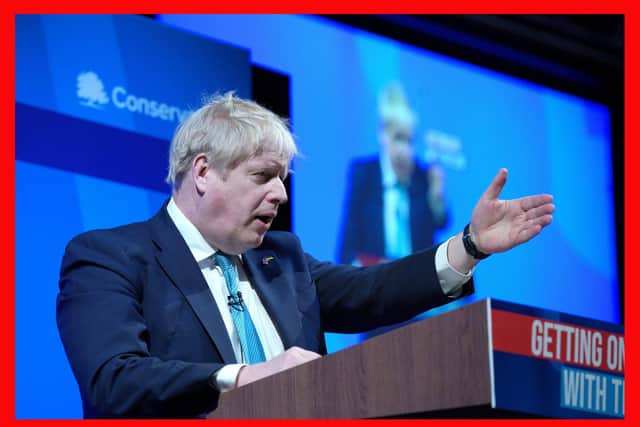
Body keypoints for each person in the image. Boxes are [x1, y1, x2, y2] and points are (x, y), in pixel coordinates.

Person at [56, 92, 554, 418]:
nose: (280, 195)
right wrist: (248, 378)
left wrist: (469, 245)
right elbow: (113, 381)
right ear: (203, 172)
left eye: (283, 179)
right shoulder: (112, 256)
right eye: (262, 176)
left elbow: (372, 293)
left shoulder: (283, 258)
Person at [338, 82, 447, 265]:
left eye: (410, 141)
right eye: (398, 138)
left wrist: (436, 199)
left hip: (413, 282)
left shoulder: (423, 176)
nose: (404, 150)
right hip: (374, 280)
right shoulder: (363, 174)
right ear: (383, 134)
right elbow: (347, 247)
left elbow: (440, 224)